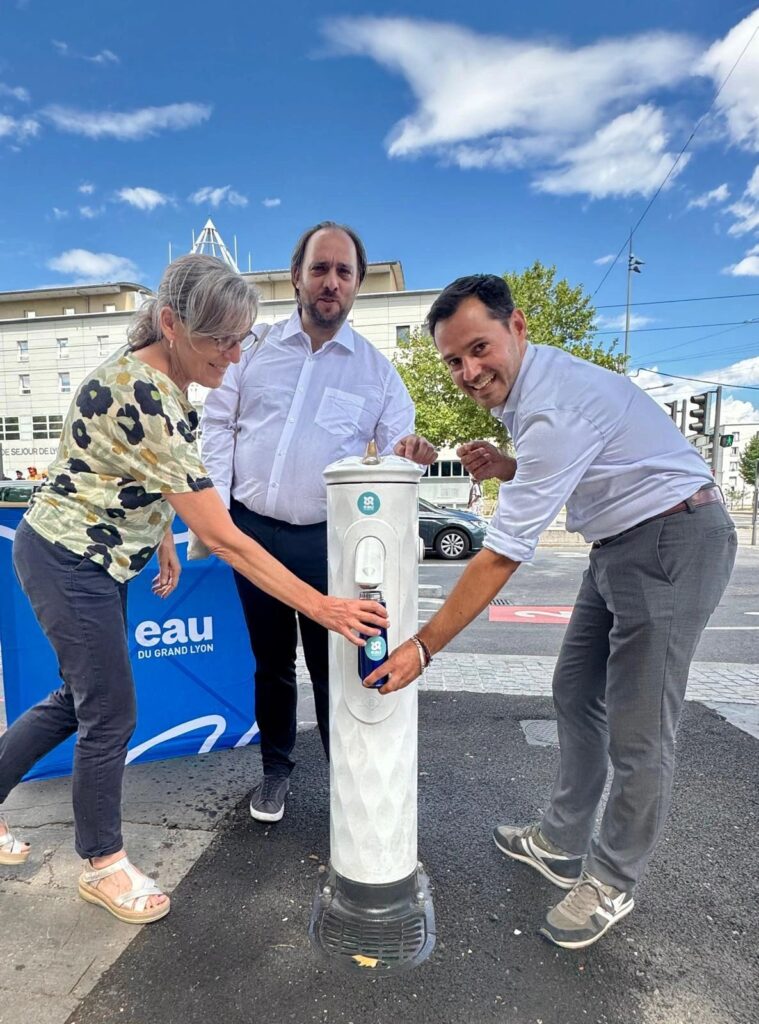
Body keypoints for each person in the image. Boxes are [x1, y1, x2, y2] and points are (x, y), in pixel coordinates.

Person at [0, 254, 388, 925]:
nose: (235, 357)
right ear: (173, 324)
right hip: (69, 559)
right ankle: (103, 863)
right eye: (222, 340)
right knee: (109, 711)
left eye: (243, 340)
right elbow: (231, 539)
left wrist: (160, 543)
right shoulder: (146, 393)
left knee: (78, 699)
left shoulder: (161, 383)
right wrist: (322, 606)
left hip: (87, 555)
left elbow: (113, 468)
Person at [364, 274, 737, 950]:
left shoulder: (553, 408)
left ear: (518, 328)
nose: (469, 372)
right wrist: (507, 466)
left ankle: (611, 879)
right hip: (618, 541)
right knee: (574, 690)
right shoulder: (532, 398)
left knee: (640, 727)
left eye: (479, 348)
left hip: (673, 537)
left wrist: (420, 647)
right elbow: (592, 464)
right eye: (453, 360)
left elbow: (500, 555)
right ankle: (560, 840)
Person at [201, 221, 436, 823]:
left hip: (327, 543)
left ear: (356, 285)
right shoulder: (250, 349)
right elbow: (217, 427)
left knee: (334, 667)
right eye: (320, 269)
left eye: (344, 272)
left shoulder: (377, 373)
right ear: (296, 276)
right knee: (271, 664)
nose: (331, 282)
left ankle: (345, 777)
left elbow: (396, 452)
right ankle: (276, 771)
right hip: (253, 533)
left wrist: (411, 452)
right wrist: (220, 519)